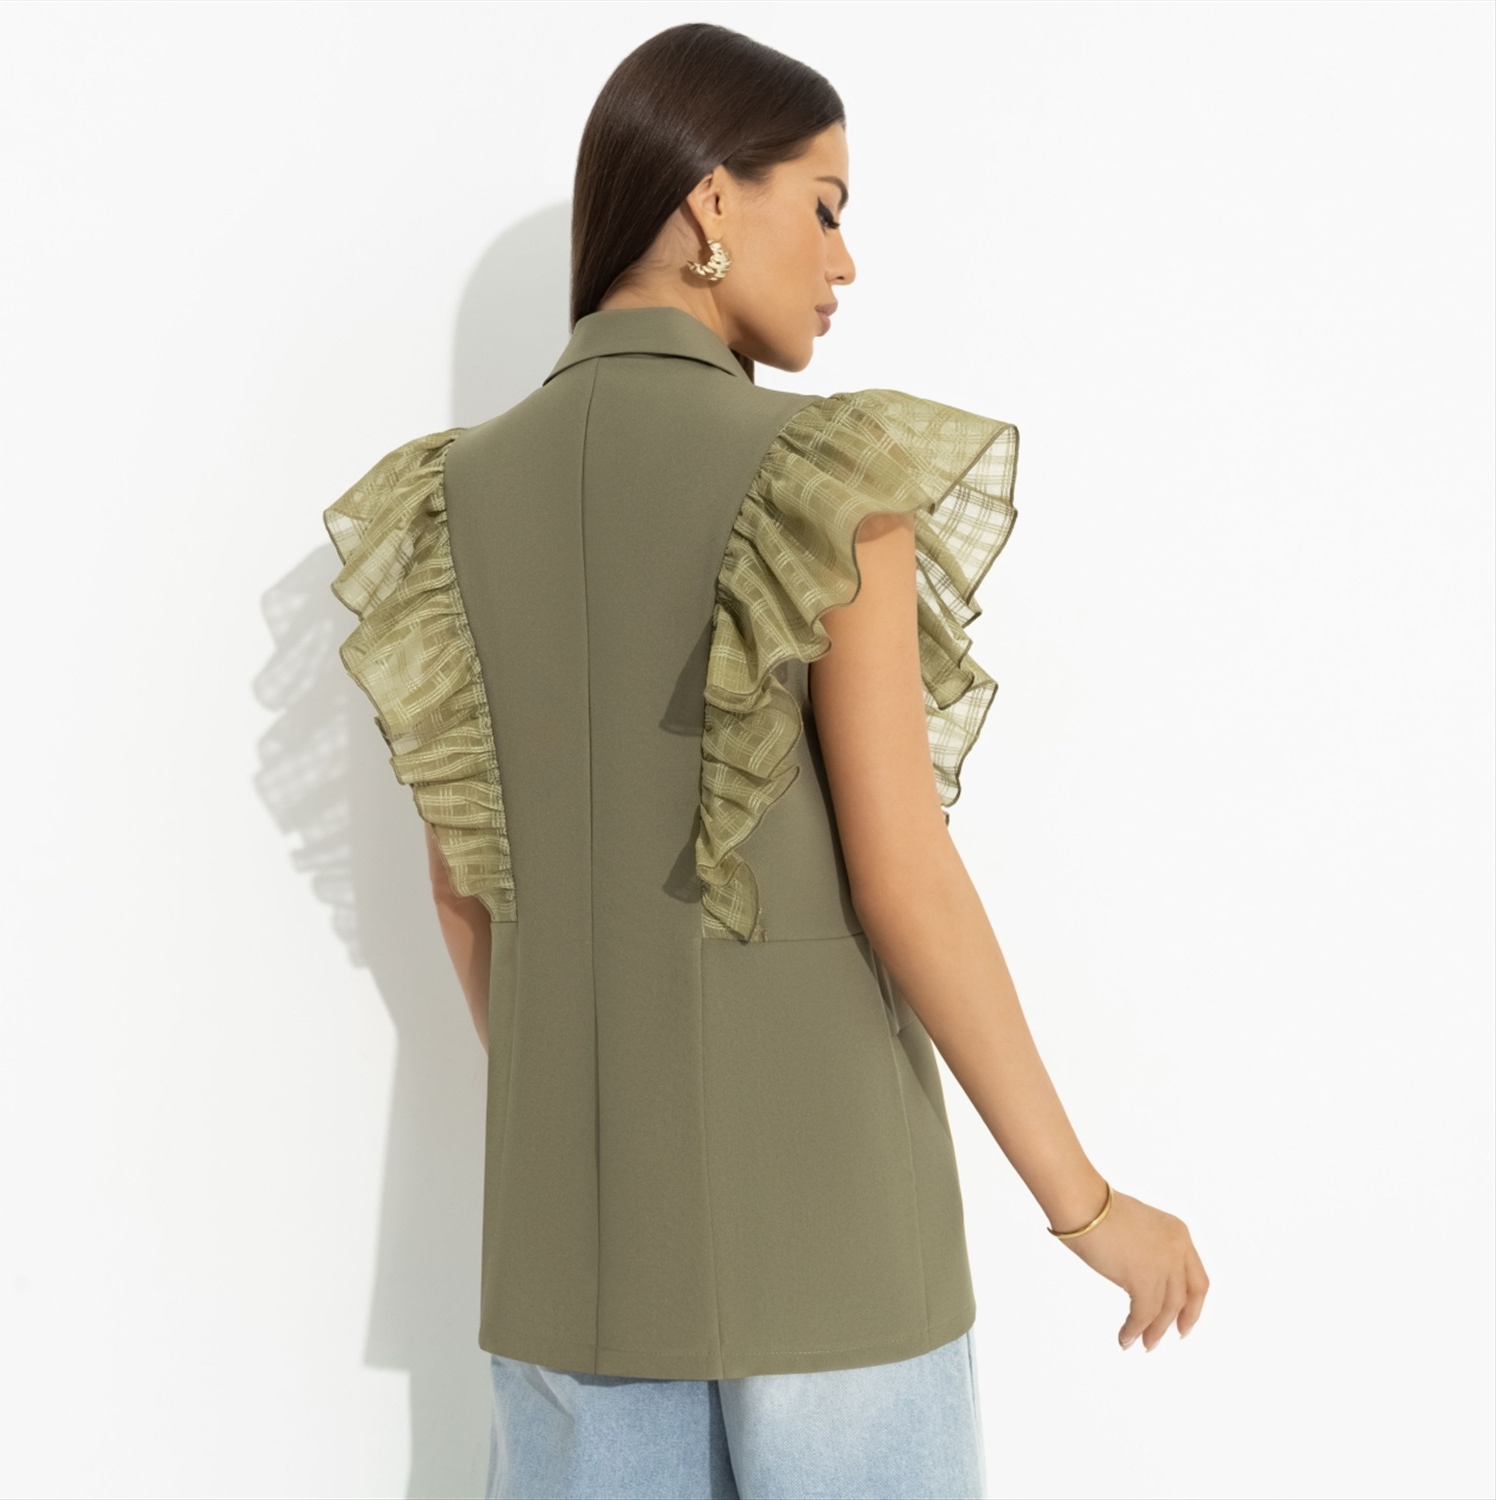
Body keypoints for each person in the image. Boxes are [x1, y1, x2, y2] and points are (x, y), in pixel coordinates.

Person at [323, 21, 1209, 1500]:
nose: (845, 260)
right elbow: (905, 875)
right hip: (835, 1251)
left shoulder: (445, 507)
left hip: (566, 1267)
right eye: (829, 204)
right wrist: (1089, 1206)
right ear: (712, 199)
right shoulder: (824, 480)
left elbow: (463, 898)